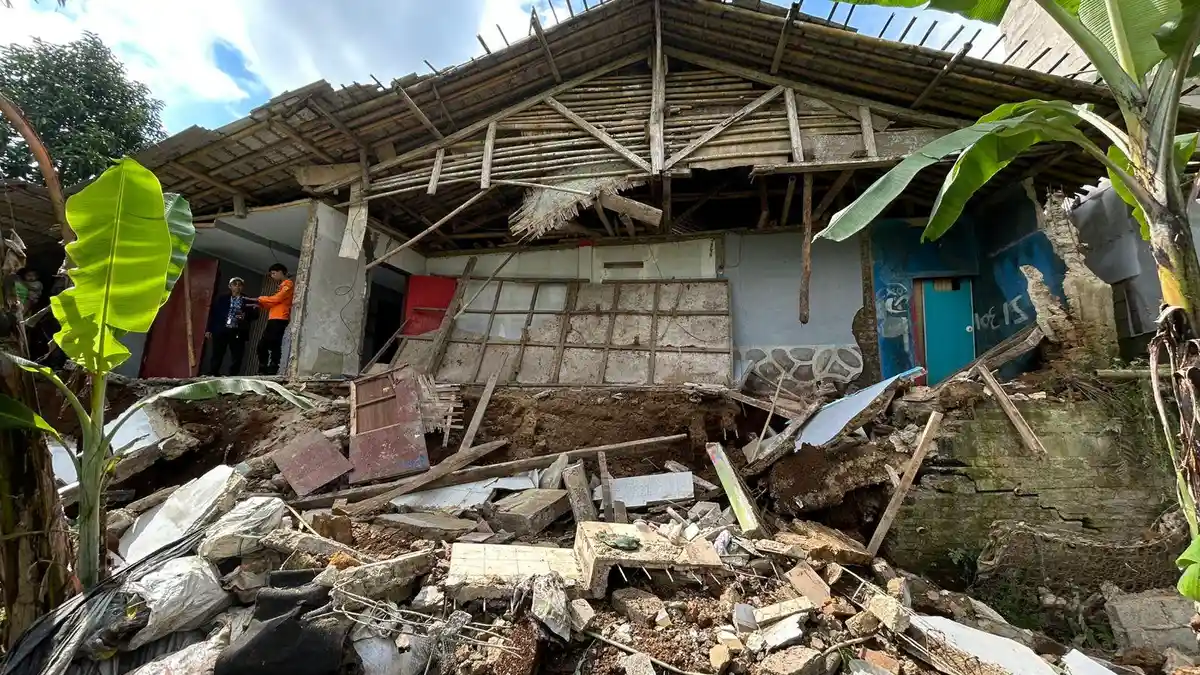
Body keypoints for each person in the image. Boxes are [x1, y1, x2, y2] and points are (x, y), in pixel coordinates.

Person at [206, 277, 257, 376]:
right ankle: (213, 372)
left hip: (238, 331)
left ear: (242, 287)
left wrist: (245, 315)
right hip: (221, 329)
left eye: (239, 285)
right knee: (217, 353)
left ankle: (233, 375)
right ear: (230, 286)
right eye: (235, 284)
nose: (237, 287)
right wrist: (209, 329)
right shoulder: (222, 298)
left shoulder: (247, 300)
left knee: (237, 355)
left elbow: (255, 314)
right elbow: (213, 314)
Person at [253, 263, 294, 375]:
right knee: (266, 345)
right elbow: (273, 302)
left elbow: (277, 299)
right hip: (274, 318)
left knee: (272, 344)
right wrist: (261, 304)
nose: (272, 276)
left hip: (280, 318)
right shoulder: (280, 287)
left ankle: (271, 368)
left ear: (281, 272)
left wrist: (261, 299)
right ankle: (266, 368)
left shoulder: (288, 284)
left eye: (274, 273)